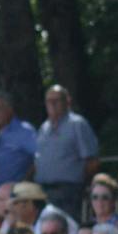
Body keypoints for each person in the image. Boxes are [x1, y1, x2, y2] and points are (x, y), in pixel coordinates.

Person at [34, 85, 100, 218]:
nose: (52, 104)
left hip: (69, 191)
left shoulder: (78, 124)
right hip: (44, 192)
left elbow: (92, 161)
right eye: (49, 101)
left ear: (67, 101)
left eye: (56, 100)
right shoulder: (44, 128)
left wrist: (83, 185)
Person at [0, 90, 37, 195]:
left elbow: (40, 159)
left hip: (14, 196)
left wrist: (24, 183)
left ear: (9, 109)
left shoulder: (24, 131)